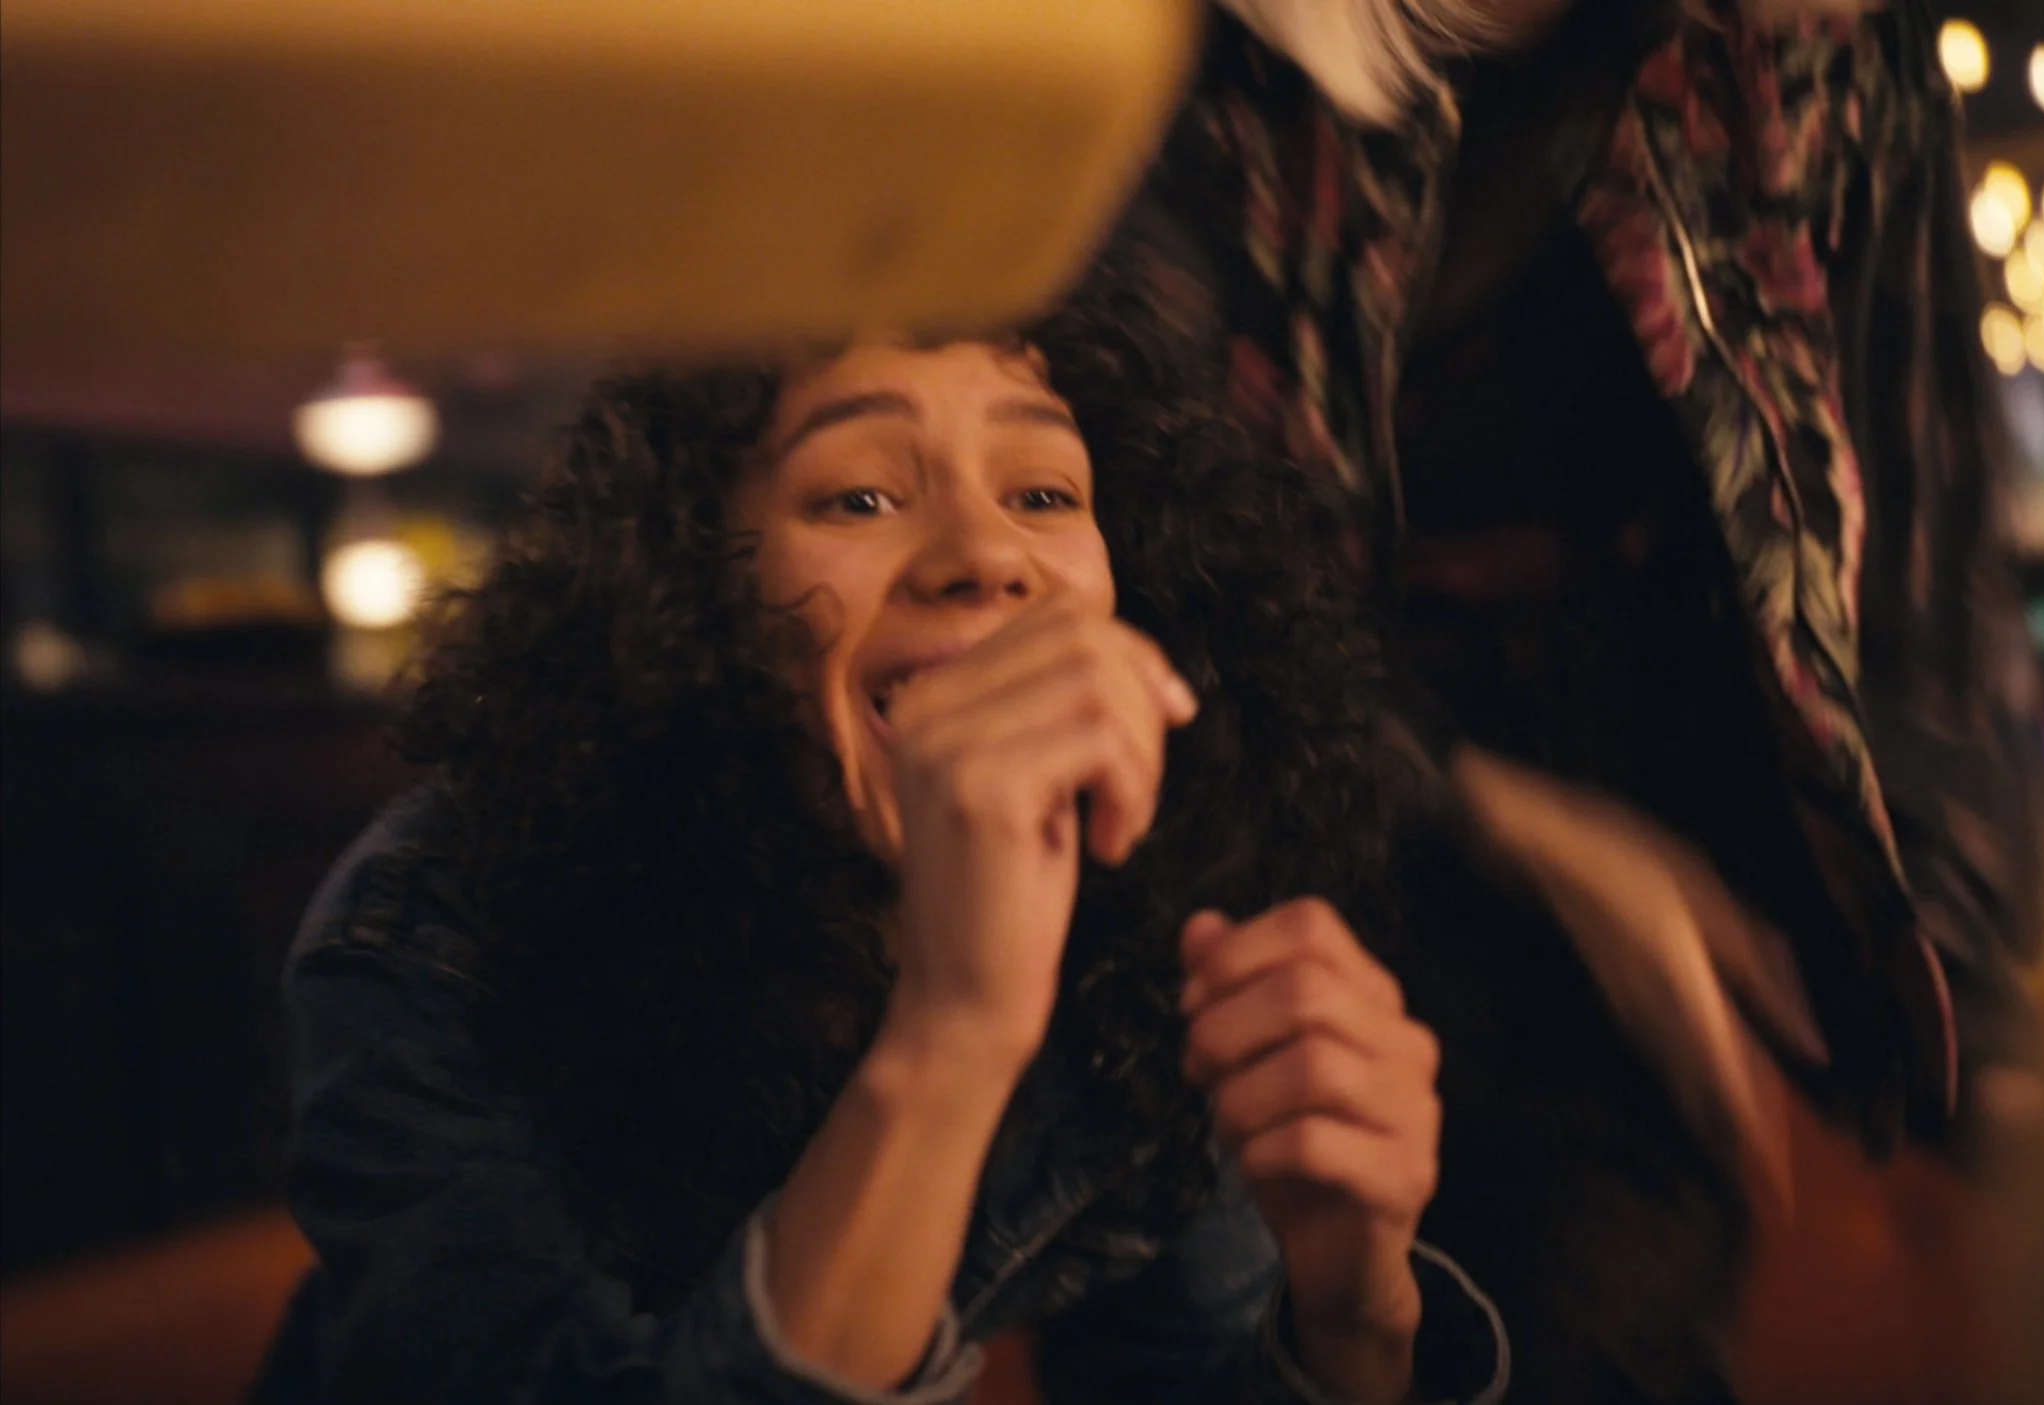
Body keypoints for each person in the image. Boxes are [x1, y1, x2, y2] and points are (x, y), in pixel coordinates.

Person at [249, 267, 1510, 1404]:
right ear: (687, 589)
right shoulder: (433, 926)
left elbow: (1176, 1371)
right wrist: (956, 1033)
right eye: (858, 495)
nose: (985, 556)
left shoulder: (1151, 904)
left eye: (1044, 492)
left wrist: (1353, 1320)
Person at [1116, 0, 2043, 1399]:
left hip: (1681, 773)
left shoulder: (1823, 34)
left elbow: (1921, 568)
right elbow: (1149, 571)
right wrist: (1513, 823)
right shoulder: (1176, 62)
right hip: (1280, 788)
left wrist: (1971, 1021)